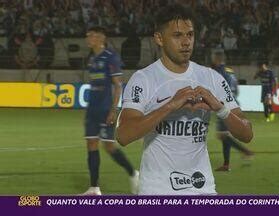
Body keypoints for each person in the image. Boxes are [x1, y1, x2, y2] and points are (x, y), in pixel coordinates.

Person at [116, 4, 253, 195]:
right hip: (158, 191)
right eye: (177, 35)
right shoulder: (143, 79)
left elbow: (246, 133)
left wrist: (219, 108)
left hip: (202, 189)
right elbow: (123, 135)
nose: (186, 42)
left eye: (190, 34)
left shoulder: (211, 78)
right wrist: (170, 106)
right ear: (159, 38)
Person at [82, 26, 139, 195]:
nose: (87, 39)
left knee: (109, 146)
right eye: (87, 36)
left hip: (106, 109)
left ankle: (133, 173)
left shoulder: (111, 57)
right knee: (91, 144)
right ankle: (94, 188)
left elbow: (118, 85)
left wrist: (114, 110)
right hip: (92, 110)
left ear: (101, 38)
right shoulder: (92, 59)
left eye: (90, 36)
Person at [210, 49, 254, 172]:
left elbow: (217, 90)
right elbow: (237, 90)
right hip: (234, 104)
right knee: (225, 136)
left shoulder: (218, 72)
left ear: (217, 59)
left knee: (222, 135)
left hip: (225, 106)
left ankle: (246, 152)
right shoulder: (230, 71)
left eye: (213, 58)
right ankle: (226, 164)